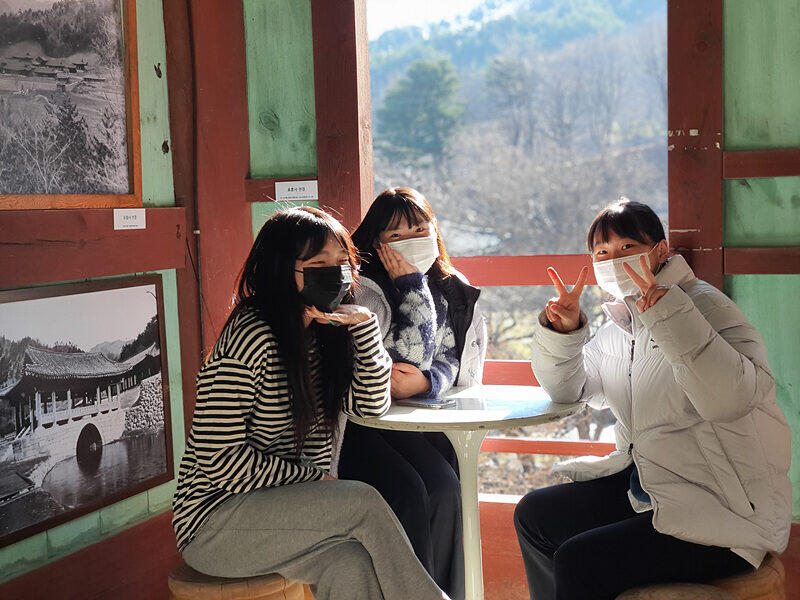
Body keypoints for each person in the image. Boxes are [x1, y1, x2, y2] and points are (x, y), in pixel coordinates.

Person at [514, 199, 791, 600]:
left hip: (727, 508)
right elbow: (569, 390)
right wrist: (565, 333)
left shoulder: (707, 306)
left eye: (627, 247)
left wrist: (668, 314)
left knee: (579, 560)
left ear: (661, 251)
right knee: (535, 516)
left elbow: (728, 400)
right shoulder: (620, 327)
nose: (614, 260)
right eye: (602, 253)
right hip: (651, 487)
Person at [172, 207, 448, 600]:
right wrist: (312, 478)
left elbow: (370, 407)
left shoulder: (327, 331)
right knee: (363, 502)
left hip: (283, 510)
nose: (335, 274)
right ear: (282, 270)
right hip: (215, 522)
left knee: (350, 562)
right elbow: (219, 459)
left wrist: (366, 329)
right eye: (318, 265)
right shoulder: (251, 337)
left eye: (342, 263)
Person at [337, 187, 486, 600]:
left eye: (420, 229)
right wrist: (411, 287)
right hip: (365, 426)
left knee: (448, 489)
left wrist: (427, 383)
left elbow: (459, 362)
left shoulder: (453, 288)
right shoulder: (366, 290)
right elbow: (398, 365)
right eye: (396, 235)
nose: (411, 241)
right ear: (376, 243)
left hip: (420, 424)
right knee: (416, 491)